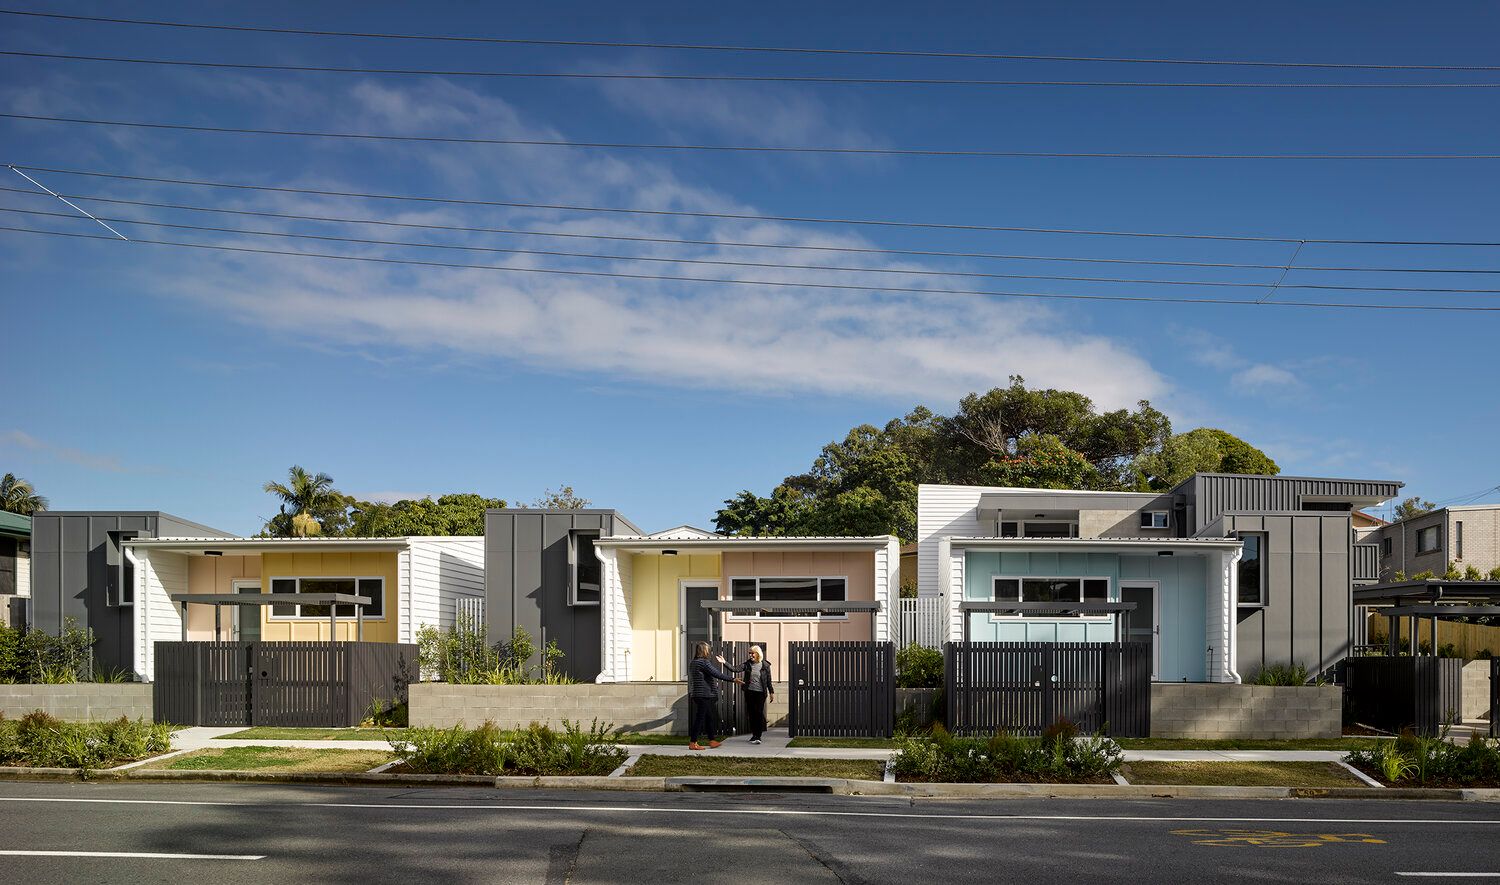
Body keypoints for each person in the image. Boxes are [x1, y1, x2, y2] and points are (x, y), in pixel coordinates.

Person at [687, 641, 740, 750]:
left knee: (708, 717)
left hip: (697, 694)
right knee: (700, 718)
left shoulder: (693, 662)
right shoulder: (704, 663)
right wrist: (733, 679)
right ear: (704, 651)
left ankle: (712, 740)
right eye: (708, 650)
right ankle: (693, 743)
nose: (710, 652)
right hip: (704, 694)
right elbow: (716, 673)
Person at [739, 645, 775, 744]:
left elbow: (768, 680)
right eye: (749, 653)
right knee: (751, 714)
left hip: (760, 694)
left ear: (758, 654)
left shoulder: (765, 665)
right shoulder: (747, 664)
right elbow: (735, 669)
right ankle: (754, 735)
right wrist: (724, 663)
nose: (750, 655)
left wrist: (771, 692)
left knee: (758, 713)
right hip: (749, 692)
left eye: (752, 653)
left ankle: (758, 736)